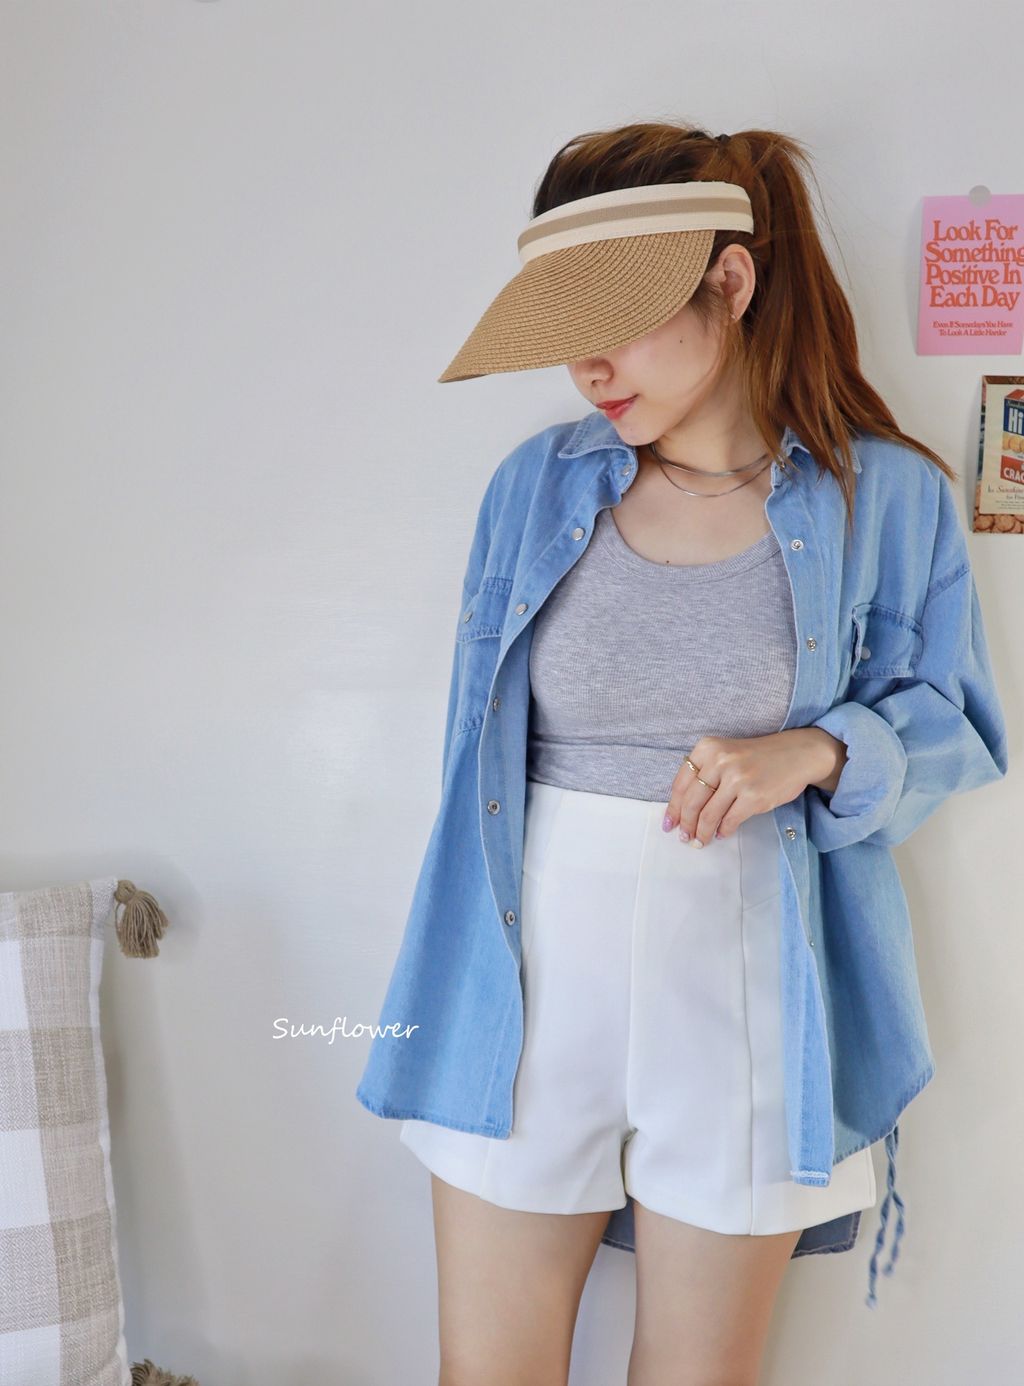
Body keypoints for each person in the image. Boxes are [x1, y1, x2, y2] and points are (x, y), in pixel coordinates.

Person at [355, 122, 1009, 1385]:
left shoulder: (886, 497)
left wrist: (817, 750)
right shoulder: (533, 488)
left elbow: (959, 727)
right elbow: (468, 758)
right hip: (520, 992)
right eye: (565, 327)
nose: (584, 364)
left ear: (730, 279)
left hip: (750, 991)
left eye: (612, 317)